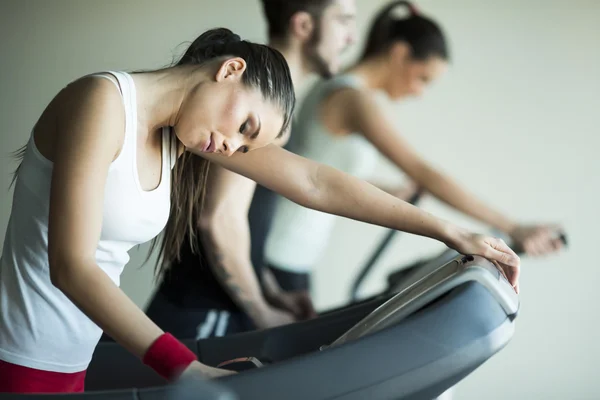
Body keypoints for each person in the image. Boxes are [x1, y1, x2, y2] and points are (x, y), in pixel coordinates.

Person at [0, 25, 520, 394]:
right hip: (16, 356)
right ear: (230, 70)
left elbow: (314, 181)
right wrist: (185, 368)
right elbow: (71, 267)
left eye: (246, 146)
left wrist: (450, 232)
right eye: (244, 128)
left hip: (71, 362)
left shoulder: (178, 139)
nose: (231, 148)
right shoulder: (103, 102)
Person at [262, 0, 565, 298]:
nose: (419, 92)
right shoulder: (353, 99)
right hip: (280, 253)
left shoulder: (338, 88)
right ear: (399, 53)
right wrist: (512, 226)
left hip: (292, 253)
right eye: (422, 78)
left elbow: (318, 165)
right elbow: (422, 172)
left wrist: (387, 191)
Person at [144, 0, 363, 338]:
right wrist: (262, 311)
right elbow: (219, 219)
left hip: (209, 307)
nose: (350, 38)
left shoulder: (265, 110)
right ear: (303, 25)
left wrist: (271, 291)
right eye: (344, 21)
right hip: (202, 312)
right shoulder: (252, 105)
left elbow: (246, 220)